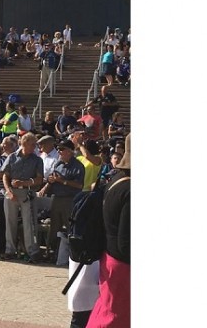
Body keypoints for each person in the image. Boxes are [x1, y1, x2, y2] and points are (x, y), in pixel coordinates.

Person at [87, 134, 130, 328]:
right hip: (123, 265)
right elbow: (126, 243)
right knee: (116, 318)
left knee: (106, 312)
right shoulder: (131, 188)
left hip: (110, 259)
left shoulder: (116, 180)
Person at [1, 133, 44, 262]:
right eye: (32, 144)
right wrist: (8, 191)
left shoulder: (37, 160)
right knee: (10, 221)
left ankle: (32, 251)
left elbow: (39, 179)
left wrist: (24, 183)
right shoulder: (12, 157)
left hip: (27, 193)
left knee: (29, 223)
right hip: (12, 192)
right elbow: (5, 175)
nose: (34, 147)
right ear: (24, 143)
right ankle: (10, 250)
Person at [43, 139, 84, 262]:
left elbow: (79, 185)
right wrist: (50, 181)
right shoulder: (58, 164)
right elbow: (53, 178)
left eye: (62, 149)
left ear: (70, 151)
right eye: (58, 149)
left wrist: (63, 181)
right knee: (54, 228)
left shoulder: (78, 166)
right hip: (57, 198)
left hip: (70, 200)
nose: (59, 152)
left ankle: (73, 255)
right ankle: (51, 253)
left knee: (70, 227)